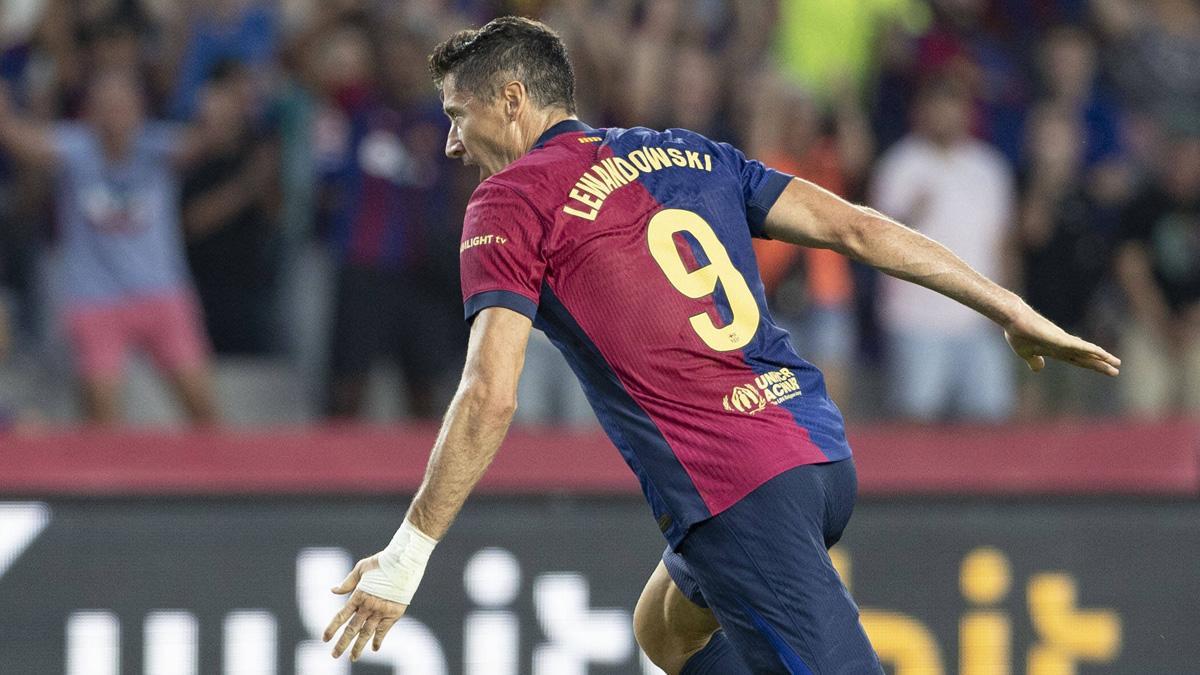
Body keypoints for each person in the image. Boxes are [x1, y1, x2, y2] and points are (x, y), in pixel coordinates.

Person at [319, 17, 1120, 673]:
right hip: (817, 456)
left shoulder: (511, 200)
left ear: (513, 99)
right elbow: (856, 226)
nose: (452, 143)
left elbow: (489, 393)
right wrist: (1007, 304)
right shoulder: (690, 151)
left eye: (459, 115)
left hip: (738, 497)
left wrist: (407, 553)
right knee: (665, 632)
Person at [0, 70, 218, 426]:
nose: (115, 115)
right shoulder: (75, 148)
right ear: (90, 112)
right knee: (102, 423)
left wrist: (215, 115)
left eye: (122, 105)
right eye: (105, 106)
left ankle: (226, 480)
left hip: (160, 294)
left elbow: (201, 143)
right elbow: (24, 143)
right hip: (95, 299)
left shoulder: (157, 146)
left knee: (204, 410)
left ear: (139, 110)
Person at [871, 76, 1019, 422]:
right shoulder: (899, 165)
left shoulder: (989, 168)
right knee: (917, 423)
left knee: (991, 422)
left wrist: (1012, 312)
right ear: (920, 112)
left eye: (954, 106)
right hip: (917, 320)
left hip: (980, 319)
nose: (945, 115)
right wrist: (908, 215)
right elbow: (872, 243)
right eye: (936, 106)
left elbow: (1002, 244)